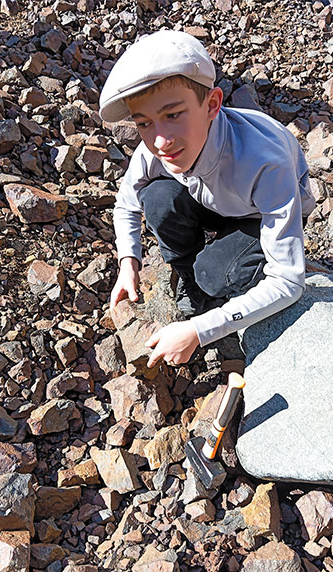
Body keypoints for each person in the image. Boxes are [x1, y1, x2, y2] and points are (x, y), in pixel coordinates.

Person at [102, 30, 313, 368]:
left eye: (173, 115)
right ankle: (191, 285)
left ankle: (211, 282)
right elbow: (127, 202)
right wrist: (129, 263)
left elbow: (289, 281)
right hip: (215, 200)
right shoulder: (157, 145)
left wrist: (200, 331)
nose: (159, 141)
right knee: (157, 197)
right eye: (144, 123)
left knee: (214, 274)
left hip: (259, 212)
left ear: (212, 104)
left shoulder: (264, 161)